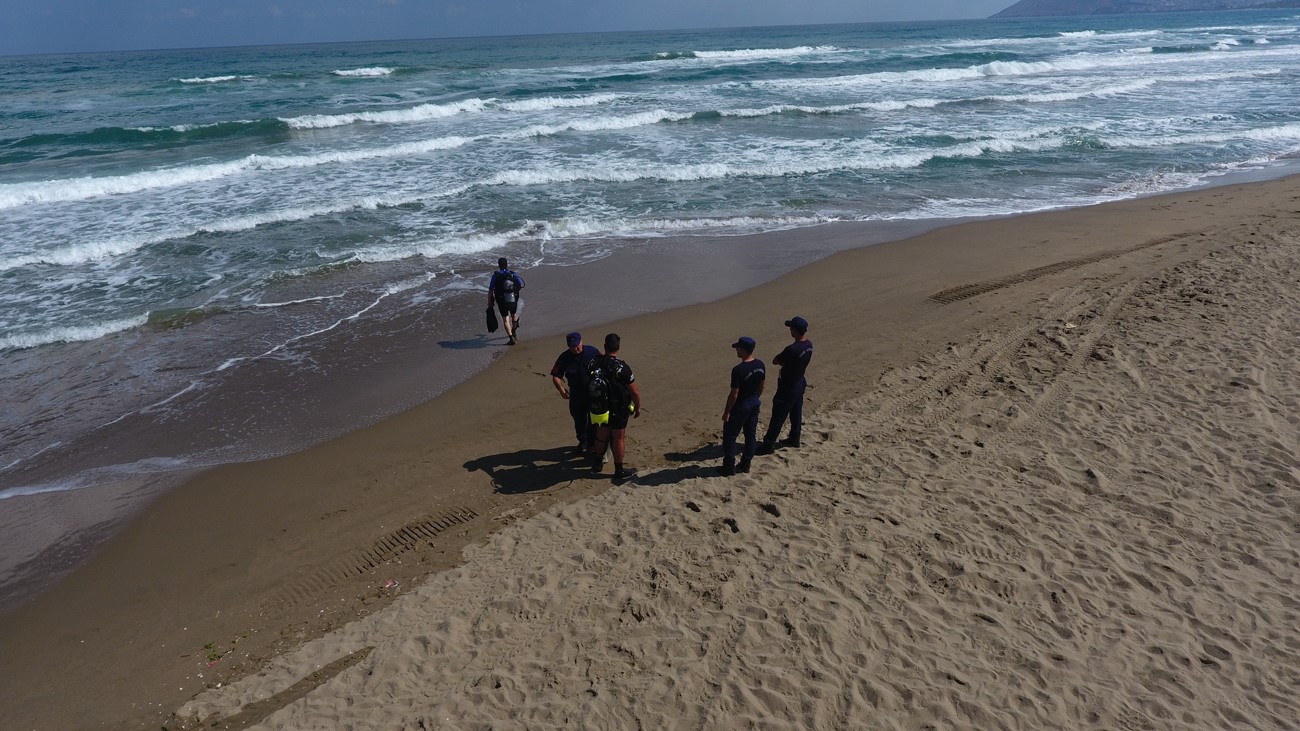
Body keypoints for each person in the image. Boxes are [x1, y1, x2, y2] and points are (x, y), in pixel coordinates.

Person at [588, 333, 641, 484]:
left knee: (601, 433)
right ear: (618, 347)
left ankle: (597, 462)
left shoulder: (594, 362)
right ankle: (619, 469)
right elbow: (634, 391)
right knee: (618, 437)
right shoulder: (621, 367)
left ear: (605, 347)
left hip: (600, 406)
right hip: (618, 407)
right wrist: (637, 407)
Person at [756, 316, 813, 455]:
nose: (789, 330)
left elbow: (776, 360)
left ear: (795, 330)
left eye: (791, 328)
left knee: (778, 415)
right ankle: (795, 437)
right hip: (800, 381)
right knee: (796, 412)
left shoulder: (792, 349)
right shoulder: (809, 345)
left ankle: (768, 444)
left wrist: (784, 363)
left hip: (788, 385)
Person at [718, 336, 765, 476]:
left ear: (743, 350)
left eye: (738, 348)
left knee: (730, 437)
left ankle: (728, 467)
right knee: (750, 434)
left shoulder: (738, 370)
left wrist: (727, 412)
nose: (736, 350)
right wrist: (756, 397)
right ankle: (746, 463)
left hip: (741, 406)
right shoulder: (760, 364)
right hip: (754, 402)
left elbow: (734, 394)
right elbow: (762, 385)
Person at [550, 332, 600, 453]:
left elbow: (604, 362)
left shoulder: (592, 351)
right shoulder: (564, 357)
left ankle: (593, 442)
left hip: (593, 392)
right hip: (576, 394)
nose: (575, 348)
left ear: (581, 341)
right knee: (578, 418)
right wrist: (562, 390)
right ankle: (583, 440)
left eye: (577, 345)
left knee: (594, 418)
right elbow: (556, 376)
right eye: (572, 347)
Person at [487, 257, 524, 345]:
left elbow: (491, 290)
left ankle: (511, 338)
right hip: (512, 299)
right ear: (507, 265)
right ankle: (514, 330)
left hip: (501, 300)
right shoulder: (512, 274)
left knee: (505, 319)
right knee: (514, 315)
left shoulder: (495, 275)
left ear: (499, 265)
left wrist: (489, 302)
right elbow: (520, 285)